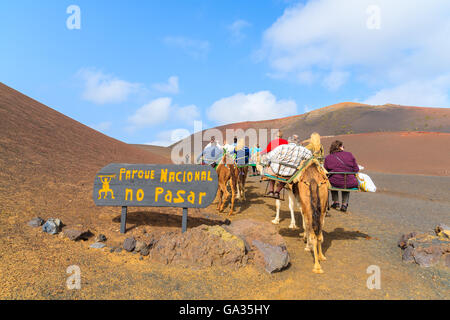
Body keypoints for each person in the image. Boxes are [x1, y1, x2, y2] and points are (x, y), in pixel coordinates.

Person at [324, 140, 359, 212]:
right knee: (346, 181)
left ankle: (335, 202)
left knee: (332, 180)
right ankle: (344, 204)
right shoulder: (349, 154)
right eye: (343, 146)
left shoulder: (328, 157)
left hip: (334, 182)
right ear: (340, 147)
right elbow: (356, 169)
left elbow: (325, 171)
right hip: (349, 182)